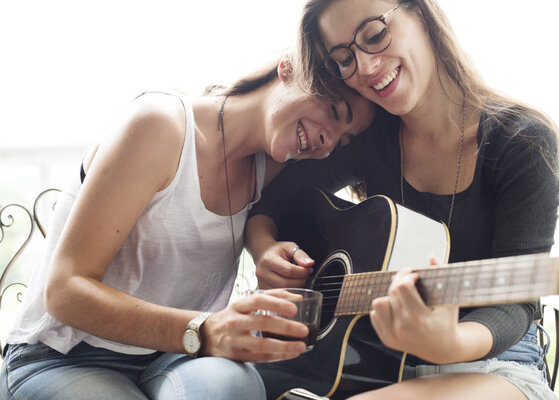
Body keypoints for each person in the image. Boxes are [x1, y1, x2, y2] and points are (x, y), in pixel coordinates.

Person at [0, 54, 375, 400]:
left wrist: (263, 245)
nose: (328, 144)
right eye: (333, 109)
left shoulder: (274, 165)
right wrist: (206, 329)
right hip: (64, 355)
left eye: (343, 140)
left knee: (234, 385)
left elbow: (266, 215)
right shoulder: (160, 125)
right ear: (289, 66)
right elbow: (65, 291)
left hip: (174, 355)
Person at [244, 1, 559, 399]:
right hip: (371, 361)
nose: (365, 68)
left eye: (374, 35)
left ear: (423, 16)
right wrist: (265, 249)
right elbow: (273, 202)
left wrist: (449, 344)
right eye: (343, 59)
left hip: (495, 366)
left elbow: (516, 303)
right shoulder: (369, 138)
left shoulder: (520, 141)